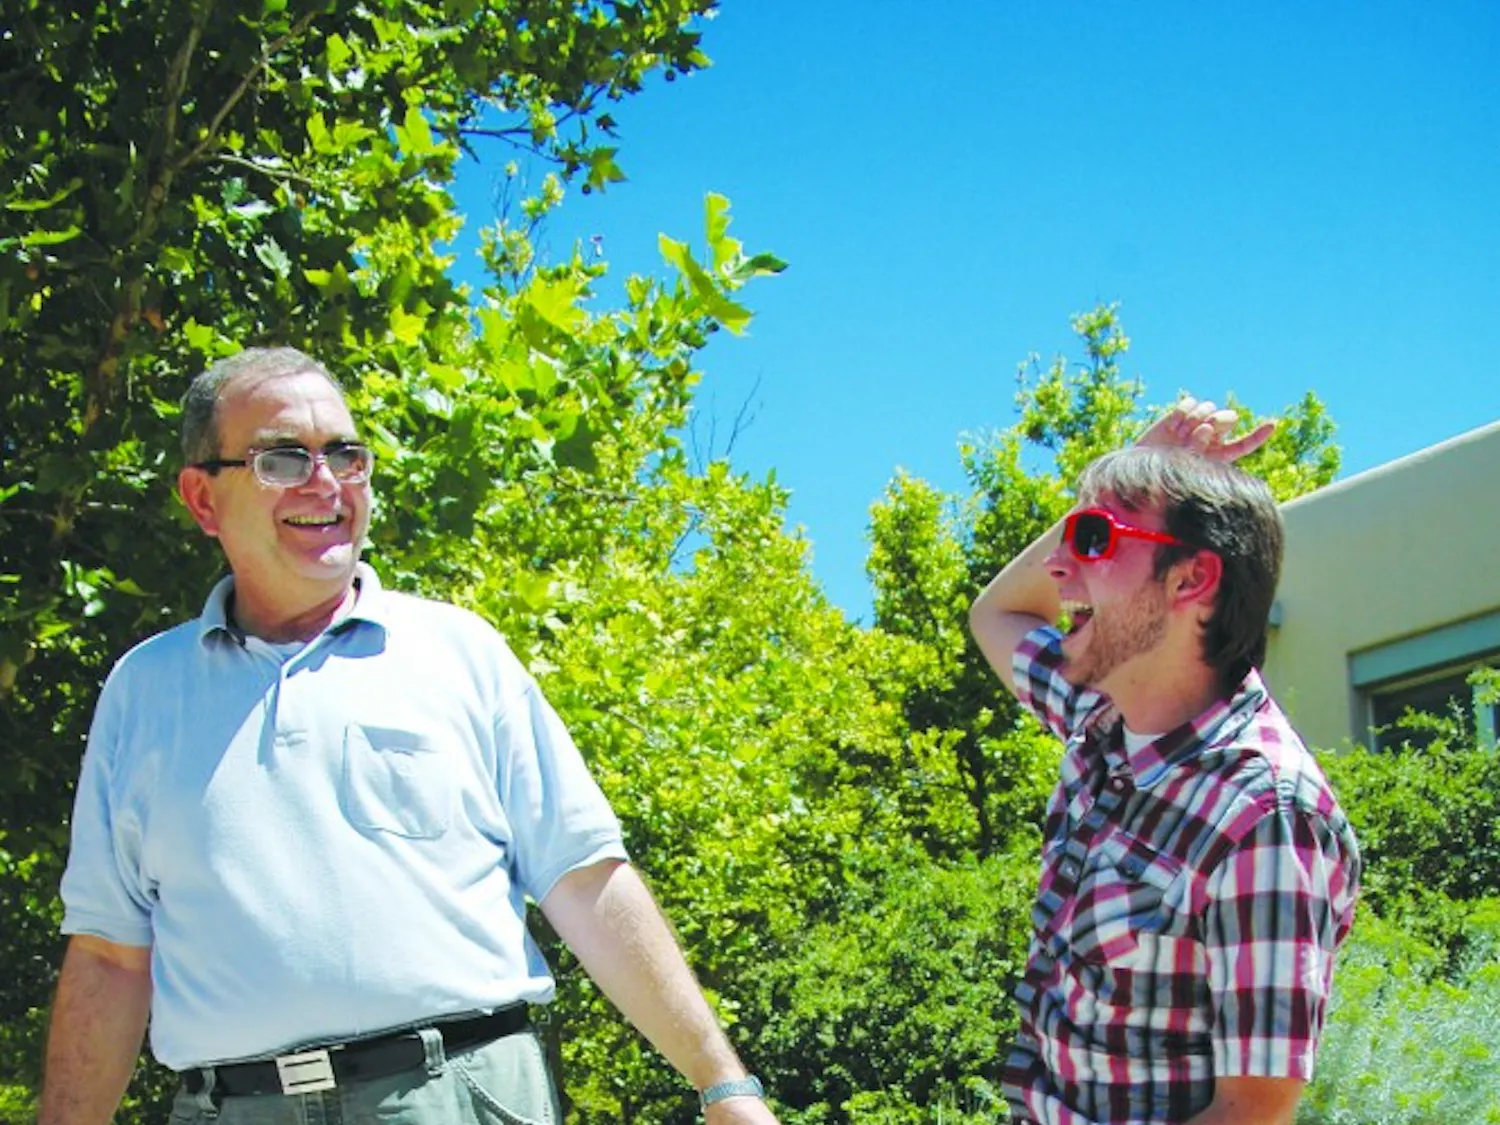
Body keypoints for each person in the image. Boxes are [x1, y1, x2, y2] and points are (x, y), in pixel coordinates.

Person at [40, 347, 777, 1125]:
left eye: (345, 454)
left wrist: (722, 1083)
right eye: (284, 458)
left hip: (458, 1094)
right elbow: (109, 956)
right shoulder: (143, 691)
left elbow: (584, 877)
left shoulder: (460, 651)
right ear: (202, 498)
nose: (325, 483)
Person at [968, 398, 1361, 1125]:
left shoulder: (1265, 817)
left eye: (1093, 537)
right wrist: (1143, 460)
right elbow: (997, 613)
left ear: (1190, 581)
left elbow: (1250, 1114)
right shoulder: (1105, 718)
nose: (1056, 563)